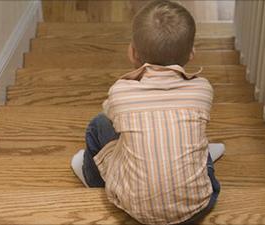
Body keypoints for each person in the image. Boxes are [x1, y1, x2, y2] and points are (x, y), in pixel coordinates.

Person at [71, 1, 225, 224]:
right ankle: (202, 161)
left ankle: (92, 177)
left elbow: (112, 117)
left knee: (98, 125)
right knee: (191, 129)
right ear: (192, 53)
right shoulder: (203, 89)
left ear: (132, 52)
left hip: (135, 207)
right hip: (198, 206)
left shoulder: (120, 92)